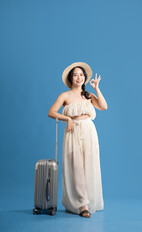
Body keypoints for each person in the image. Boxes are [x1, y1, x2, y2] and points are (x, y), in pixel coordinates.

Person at [48, 62, 108, 218]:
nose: (79, 77)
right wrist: (67, 118)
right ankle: (82, 204)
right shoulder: (65, 96)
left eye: (81, 75)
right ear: (71, 78)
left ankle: (87, 201)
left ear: (85, 78)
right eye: (75, 74)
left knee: (89, 165)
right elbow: (52, 112)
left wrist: (96, 88)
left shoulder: (88, 95)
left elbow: (103, 106)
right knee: (76, 166)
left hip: (89, 131)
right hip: (73, 131)